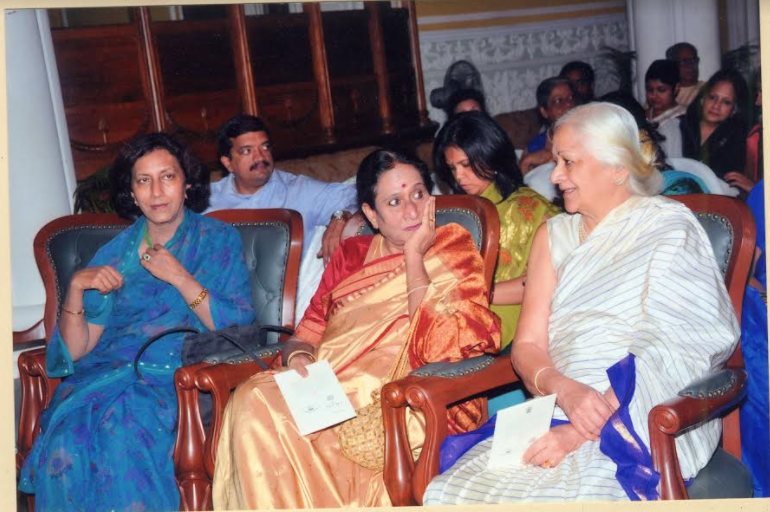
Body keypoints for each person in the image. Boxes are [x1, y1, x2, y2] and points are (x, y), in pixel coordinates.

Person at [424, 102, 739, 504]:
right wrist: (566, 391)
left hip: (645, 413)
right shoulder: (553, 235)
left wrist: (580, 429)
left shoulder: (668, 228)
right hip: (558, 401)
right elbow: (528, 347)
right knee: (450, 495)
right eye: (556, 161)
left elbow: (673, 347)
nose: (555, 176)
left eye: (568, 162)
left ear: (618, 167)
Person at [212, 149, 501, 509]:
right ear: (371, 214)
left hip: (409, 395)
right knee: (253, 401)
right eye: (394, 201)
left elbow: (442, 346)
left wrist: (414, 257)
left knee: (287, 420)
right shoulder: (350, 256)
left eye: (418, 194)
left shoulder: (453, 247)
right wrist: (300, 354)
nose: (411, 210)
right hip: (332, 388)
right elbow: (305, 335)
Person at [18, 133, 256, 512]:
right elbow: (79, 348)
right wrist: (77, 288)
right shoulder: (115, 253)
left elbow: (236, 326)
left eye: (168, 177)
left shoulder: (217, 240)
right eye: (143, 180)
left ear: (187, 183)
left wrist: (179, 277)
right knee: (67, 441)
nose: (156, 191)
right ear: (131, 191)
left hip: (176, 380)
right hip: (106, 377)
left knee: (122, 434)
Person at [433, 111, 559, 349]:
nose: (459, 176)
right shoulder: (460, 210)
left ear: (491, 155)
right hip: (457, 312)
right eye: (452, 168)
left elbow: (543, 284)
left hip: (505, 321)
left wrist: (469, 294)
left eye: (466, 165)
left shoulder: (530, 208)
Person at [206, 114, 357, 264]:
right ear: (228, 163)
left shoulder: (298, 190)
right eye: (247, 151)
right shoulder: (206, 201)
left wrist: (340, 216)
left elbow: (357, 195)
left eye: (265, 147)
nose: (260, 157)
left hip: (290, 287)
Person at [680, 68, 750, 181]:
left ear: (734, 110)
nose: (716, 106)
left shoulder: (737, 141)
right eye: (712, 97)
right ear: (703, 99)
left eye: (726, 102)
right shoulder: (678, 126)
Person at [519, 77, 576, 173]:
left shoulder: (589, 136)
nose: (568, 104)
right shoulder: (536, 146)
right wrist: (526, 163)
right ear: (544, 111)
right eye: (558, 101)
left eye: (570, 98)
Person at [726, 68, 763, 192]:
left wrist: (755, 189)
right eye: (758, 93)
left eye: (763, 93)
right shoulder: (756, 134)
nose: (758, 102)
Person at [645, 59, 686, 158]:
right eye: (650, 90)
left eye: (661, 90)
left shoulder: (683, 119)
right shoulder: (643, 114)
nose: (654, 96)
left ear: (676, 88)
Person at [666, 42, 704, 108]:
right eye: (684, 61)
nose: (690, 66)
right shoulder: (662, 94)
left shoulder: (709, 89)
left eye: (693, 60)